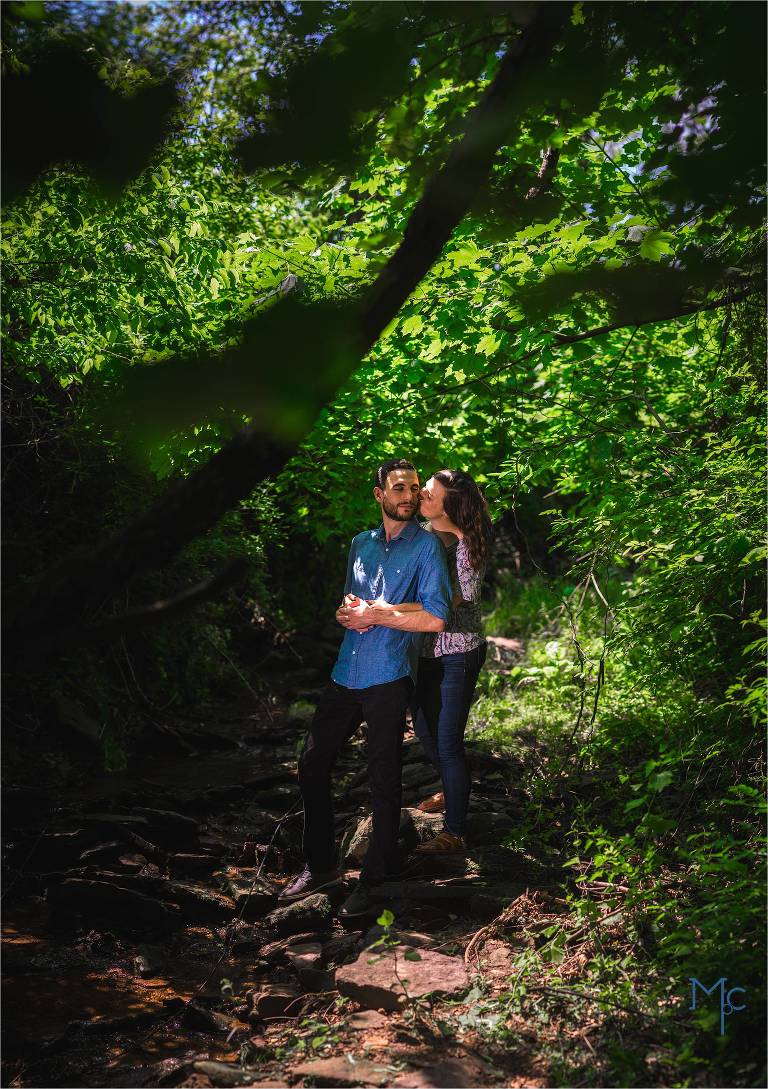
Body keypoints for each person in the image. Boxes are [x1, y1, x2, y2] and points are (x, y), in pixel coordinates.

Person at [278, 459, 452, 918]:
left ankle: (376, 877)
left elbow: (436, 616)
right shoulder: (360, 543)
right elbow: (350, 600)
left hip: (389, 674)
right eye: (399, 488)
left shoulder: (427, 547)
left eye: (414, 488)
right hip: (345, 671)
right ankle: (320, 867)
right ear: (379, 494)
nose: (409, 496)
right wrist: (347, 612)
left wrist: (378, 614)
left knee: (384, 775)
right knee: (312, 765)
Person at [362, 469, 492, 854]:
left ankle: (454, 833)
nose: (420, 498)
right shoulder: (423, 536)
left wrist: (387, 610)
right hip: (424, 652)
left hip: (459, 651)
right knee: (426, 733)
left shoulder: (466, 546)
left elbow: (450, 602)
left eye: (429, 493)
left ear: (450, 504)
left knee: (448, 744)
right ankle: (454, 788)